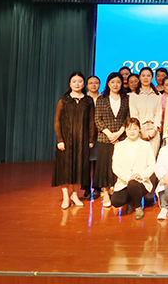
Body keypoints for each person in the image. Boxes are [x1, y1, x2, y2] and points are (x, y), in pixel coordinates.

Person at [53, 72, 95, 209]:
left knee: (80, 167)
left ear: (84, 84)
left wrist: (90, 139)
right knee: (65, 168)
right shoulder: (64, 100)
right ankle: (66, 196)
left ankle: (75, 195)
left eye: (80, 81)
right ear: (70, 84)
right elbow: (57, 121)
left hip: (82, 140)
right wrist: (59, 139)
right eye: (74, 81)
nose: (77, 84)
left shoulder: (88, 100)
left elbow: (91, 121)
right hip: (66, 140)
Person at [95, 72, 129, 207]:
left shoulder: (126, 98)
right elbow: (97, 119)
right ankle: (105, 192)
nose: (115, 85)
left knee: (119, 164)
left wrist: (119, 133)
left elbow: (128, 117)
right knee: (105, 165)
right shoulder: (101, 99)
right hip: (105, 137)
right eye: (113, 82)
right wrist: (110, 134)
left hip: (122, 137)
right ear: (108, 83)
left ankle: (116, 189)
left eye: (118, 82)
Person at [110, 118, 156, 220]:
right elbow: (115, 167)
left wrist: (141, 175)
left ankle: (138, 207)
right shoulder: (119, 146)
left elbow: (152, 165)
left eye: (135, 129)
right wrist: (129, 177)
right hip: (124, 182)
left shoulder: (146, 145)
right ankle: (130, 201)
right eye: (129, 129)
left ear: (139, 130)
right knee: (116, 201)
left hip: (141, 182)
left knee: (133, 184)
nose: (132, 131)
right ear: (125, 130)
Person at [129, 67, 163, 157]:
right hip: (139, 129)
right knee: (140, 158)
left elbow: (158, 114)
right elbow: (134, 115)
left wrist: (154, 130)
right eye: (143, 76)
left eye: (148, 76)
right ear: (140, 78)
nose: (145, 78)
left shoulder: (157, 95)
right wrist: (142, 130)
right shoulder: (134, 95)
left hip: (153, 129)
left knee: (152, 158)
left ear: (152, 78)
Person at [82, 75, 101, 200]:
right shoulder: (83, 99)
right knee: (86, 163)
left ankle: (98, 188)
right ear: (87, 85)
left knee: (98, 162)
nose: (94, 85)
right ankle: (86, 189)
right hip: (85, 134)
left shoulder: (103, 98)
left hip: (100, 134)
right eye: (91, 83)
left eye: (96, 83)